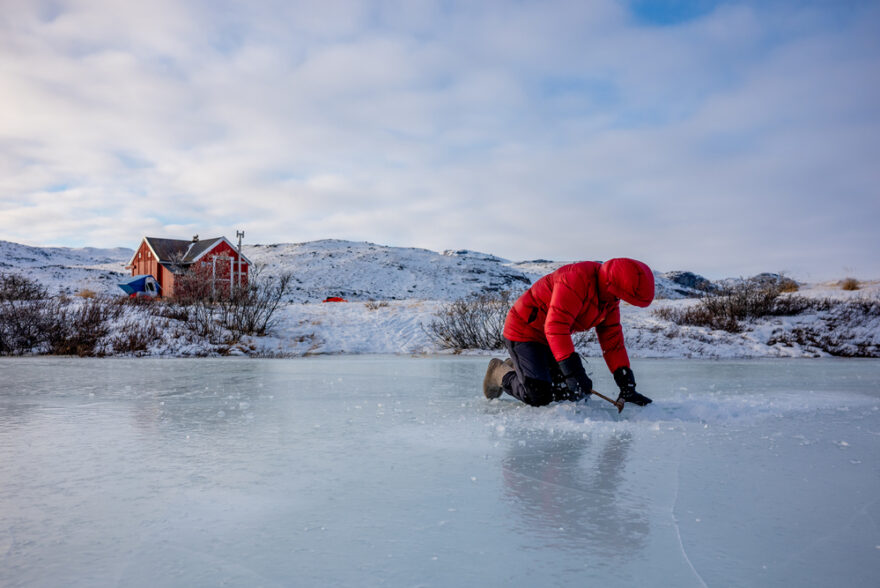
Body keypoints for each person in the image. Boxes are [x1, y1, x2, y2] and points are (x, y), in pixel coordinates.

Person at [483, 258, 655, 407]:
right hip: (523, 330)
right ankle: (499, 371)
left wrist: (626, 385)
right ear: (613, 286)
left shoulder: (609, 299)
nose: (622, 301)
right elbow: (556, 326)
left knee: (567, 393)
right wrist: (574, 372)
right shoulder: (575, 279)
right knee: (538, 395)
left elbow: (612, 341)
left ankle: (520, 366)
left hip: (549, 338)